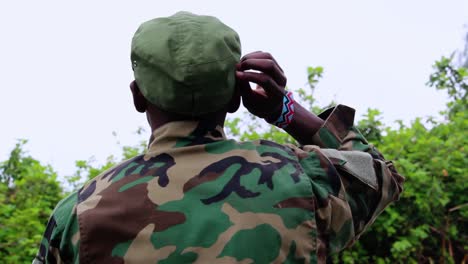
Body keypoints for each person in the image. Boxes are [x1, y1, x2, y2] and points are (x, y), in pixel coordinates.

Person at [34, 11, 404, 264]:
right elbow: (380, 174)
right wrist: (286, 111)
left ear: (137, 96)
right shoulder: (303, 179)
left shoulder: (79, 215)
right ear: (233, 98)